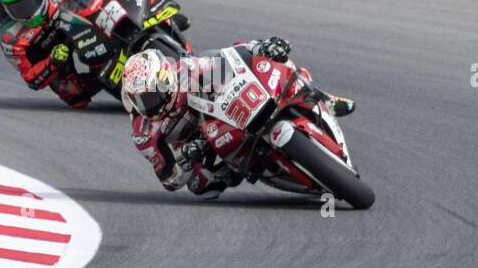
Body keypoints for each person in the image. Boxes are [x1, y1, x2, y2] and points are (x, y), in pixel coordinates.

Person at [121, 38, 355, 200]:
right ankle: (245, 167)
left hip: (224, 111)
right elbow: (169, 180)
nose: (148, 105)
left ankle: (322, 97)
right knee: (201, 187)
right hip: (206, 151)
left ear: (164, 78)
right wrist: (185, 158)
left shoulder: (186, 70)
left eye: (151, 96)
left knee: (275, 62)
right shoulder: (144, 133)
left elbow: (231, 57)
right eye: (141, 100)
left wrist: (261, 47)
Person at [0, 0, 148, 108]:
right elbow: (30, 78)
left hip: (79, 25)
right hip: (53, 51)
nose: (24, 13)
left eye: (27, 4)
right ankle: (105, 76)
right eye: (15, 9)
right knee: (73, 94)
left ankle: (143, 22)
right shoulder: (12, 38)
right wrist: (52, 62)